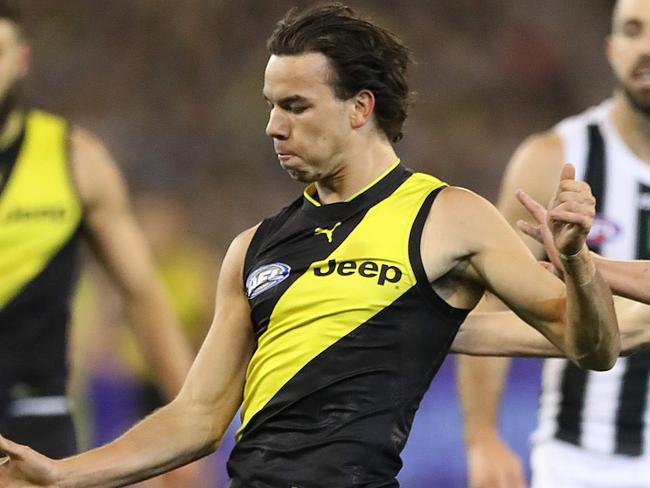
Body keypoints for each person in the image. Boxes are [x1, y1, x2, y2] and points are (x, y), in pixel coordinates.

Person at [0, 4, 621, 486]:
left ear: (360, 108)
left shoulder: (448, 217)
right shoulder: (253, 248)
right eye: (271, 106)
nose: (274, 126)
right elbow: (195, 417)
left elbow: (592, 345)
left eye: (295, 106)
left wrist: (574, 262)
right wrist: (62, 473)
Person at [457, 0, 650, 486]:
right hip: (584, 460)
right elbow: (492, 298)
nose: (647, 47)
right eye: (633, 30)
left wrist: (586, 265)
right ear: (611, 48)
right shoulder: (554, 159)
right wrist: (482, 437)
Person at [0, 1, 193, 462]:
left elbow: (142, 295)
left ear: (22, 59)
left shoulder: (75, 160)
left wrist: (189, 431)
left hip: (33, 420)